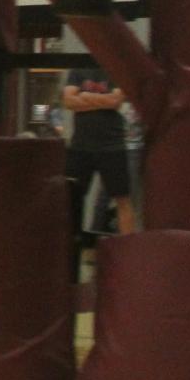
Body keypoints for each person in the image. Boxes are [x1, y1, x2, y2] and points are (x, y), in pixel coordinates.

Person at [61, 62, 137, 246]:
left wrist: (85, 97)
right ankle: (69, 247)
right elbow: (69, 101)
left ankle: (129, 250)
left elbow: (115, 101)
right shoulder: (79, 68)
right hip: (81, 145)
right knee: (70, 199)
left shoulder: (118, 68)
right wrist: (103, 100)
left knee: (122, 199)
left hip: (112, 145)